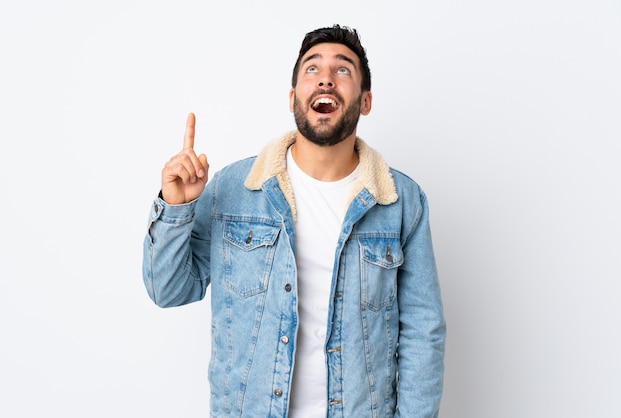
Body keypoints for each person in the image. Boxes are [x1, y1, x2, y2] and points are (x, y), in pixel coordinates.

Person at [142, 24, 446, 418]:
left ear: (365, 101)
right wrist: (176, 206)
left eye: (343, 70)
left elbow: (424, 332)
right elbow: (168, 290)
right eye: (312, 69)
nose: (325, 78)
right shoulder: (234, 190)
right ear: (293, 98)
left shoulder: (401, 201)